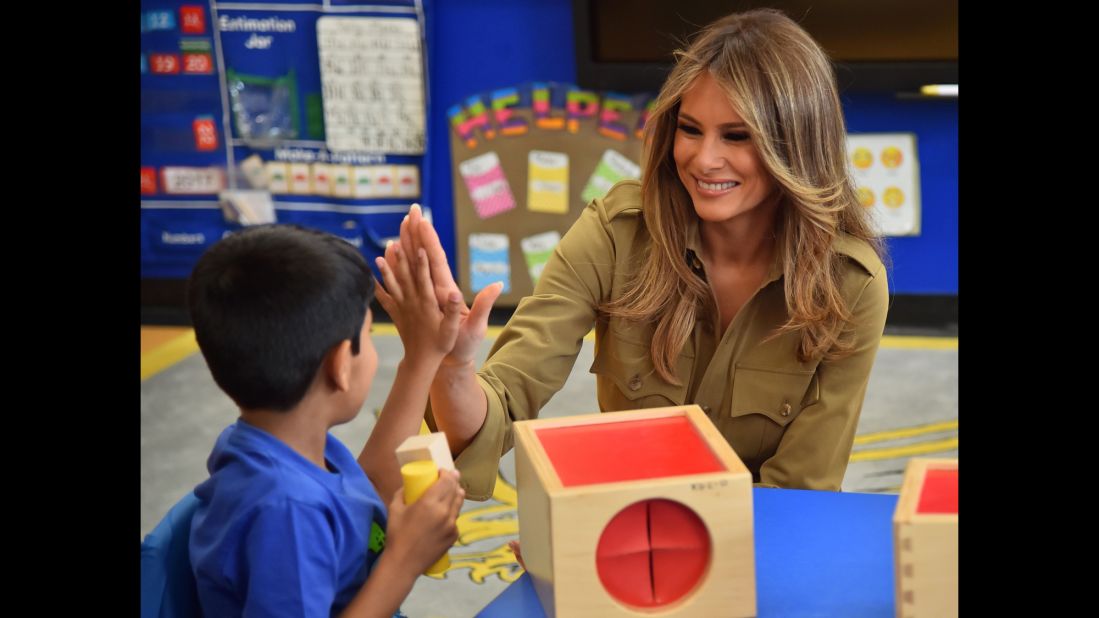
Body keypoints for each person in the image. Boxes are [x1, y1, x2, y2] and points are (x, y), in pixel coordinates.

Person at [391, 8, 889, 497]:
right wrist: (451, 367)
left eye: (737, 136)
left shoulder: (851, 284)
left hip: (760, 545)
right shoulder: (615, 233)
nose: (703, 158)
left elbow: (800, 490)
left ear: (797, 143)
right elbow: (498, 410)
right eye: (690, 129)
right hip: (629, 530)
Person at [187, 224, 467, 617]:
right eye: (369, 335)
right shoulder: (286, 513)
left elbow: (363, 491)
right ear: (340, 364)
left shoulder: (272, 443)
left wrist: (423, 357)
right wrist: (404, 560)